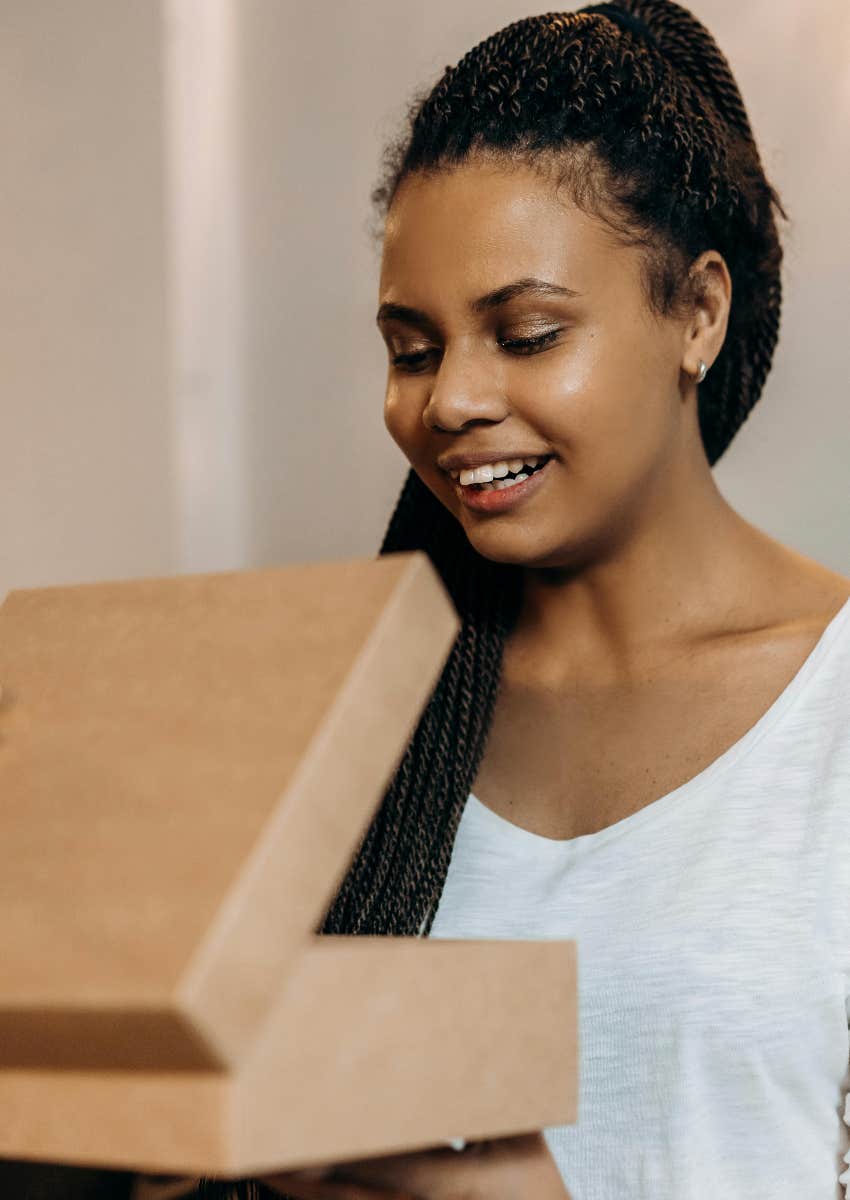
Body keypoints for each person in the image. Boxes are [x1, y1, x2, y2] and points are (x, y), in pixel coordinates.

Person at [136, 1, 850, 1198]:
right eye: (412, 349)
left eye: (525, 333)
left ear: (698, 313)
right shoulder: (354, 728)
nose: (450, 400)